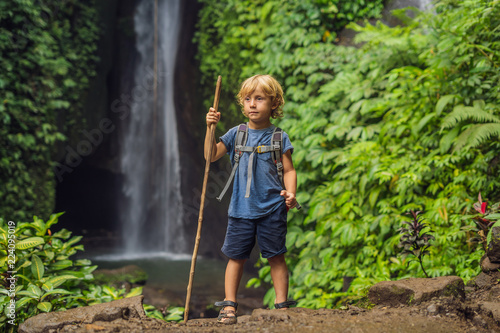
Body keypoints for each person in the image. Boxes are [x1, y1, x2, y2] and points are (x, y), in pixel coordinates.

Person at [204, 74, 298, 324]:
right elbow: (210, 155)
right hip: (241, 209)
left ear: (274, 103)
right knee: (236, 257)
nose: (253, 104)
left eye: (259, 99)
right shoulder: (237, 134)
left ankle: (281, 306)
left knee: (276, 256)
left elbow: (289, 170)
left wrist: (291, 192)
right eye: (248, 99)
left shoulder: (279, 137)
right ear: (242, 104)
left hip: (272, 208)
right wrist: (210, 128)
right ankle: (229, 306)